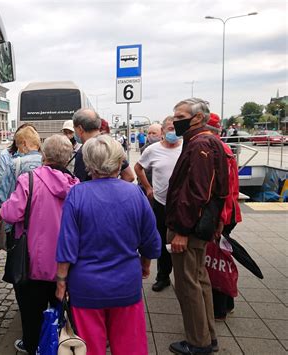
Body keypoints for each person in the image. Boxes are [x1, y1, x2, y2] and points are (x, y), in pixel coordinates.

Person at [55, 135, 161, 355]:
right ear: (118, 160)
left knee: (90, 347)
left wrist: (61, 281)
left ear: (89, 163)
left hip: (86, 285)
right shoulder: (134, 193)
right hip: (126, 282)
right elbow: (150, 240)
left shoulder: (77, 194)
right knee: (129, 346)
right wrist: (145, 265)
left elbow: (67, 244)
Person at [0, 134, 79, 354]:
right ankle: (58, 346)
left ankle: (33, 346)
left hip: (31, 265)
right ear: (69, 158)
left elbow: (9, 213)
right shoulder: (76, 185)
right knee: (60, 313)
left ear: (44, 155)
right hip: (65, 267)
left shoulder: (29, 180)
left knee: (31, 316)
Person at [166, 98, 229, 355]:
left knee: (187, 285)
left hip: (188, 230)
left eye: (179, 115)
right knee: (200, 281)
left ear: (197, 118)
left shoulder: (199, 145)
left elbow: (197, 192)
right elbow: (219, 190)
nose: (174, 121)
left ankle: (197, 343)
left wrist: (181, 230)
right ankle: (207, 337)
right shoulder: (209, 142)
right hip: (199, 227)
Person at [134, 116, 182, 292]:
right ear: (163, 131)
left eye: (176, 128)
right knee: (161, 241)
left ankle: (183, 278)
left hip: (182, 205)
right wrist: (148, 187)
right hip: (161, 203)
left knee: (181, 241)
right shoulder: (152, 150)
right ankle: (163, 276)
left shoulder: (187, 148)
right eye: (170, 128)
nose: (173, 132)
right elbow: (138, 168)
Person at [206, 113, 242, 321]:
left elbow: (225, 191)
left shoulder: (218, 151)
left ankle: (219, 307)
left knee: (216, 260)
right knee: (220, 257)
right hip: (226, 214)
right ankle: (226, 303)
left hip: (223, 216)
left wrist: (220, 221)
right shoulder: (221, 148)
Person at [0, 126, 42, 208]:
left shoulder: (15, 164)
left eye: (18, 147)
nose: (18, 151)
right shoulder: (48, 164)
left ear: (24, 144)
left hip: (22, 220)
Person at [72, 108, 135, 182]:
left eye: (74, 129)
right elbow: (129, 176)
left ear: (80, 129)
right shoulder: (111, 145)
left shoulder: (84, 152)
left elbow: (80, 186)